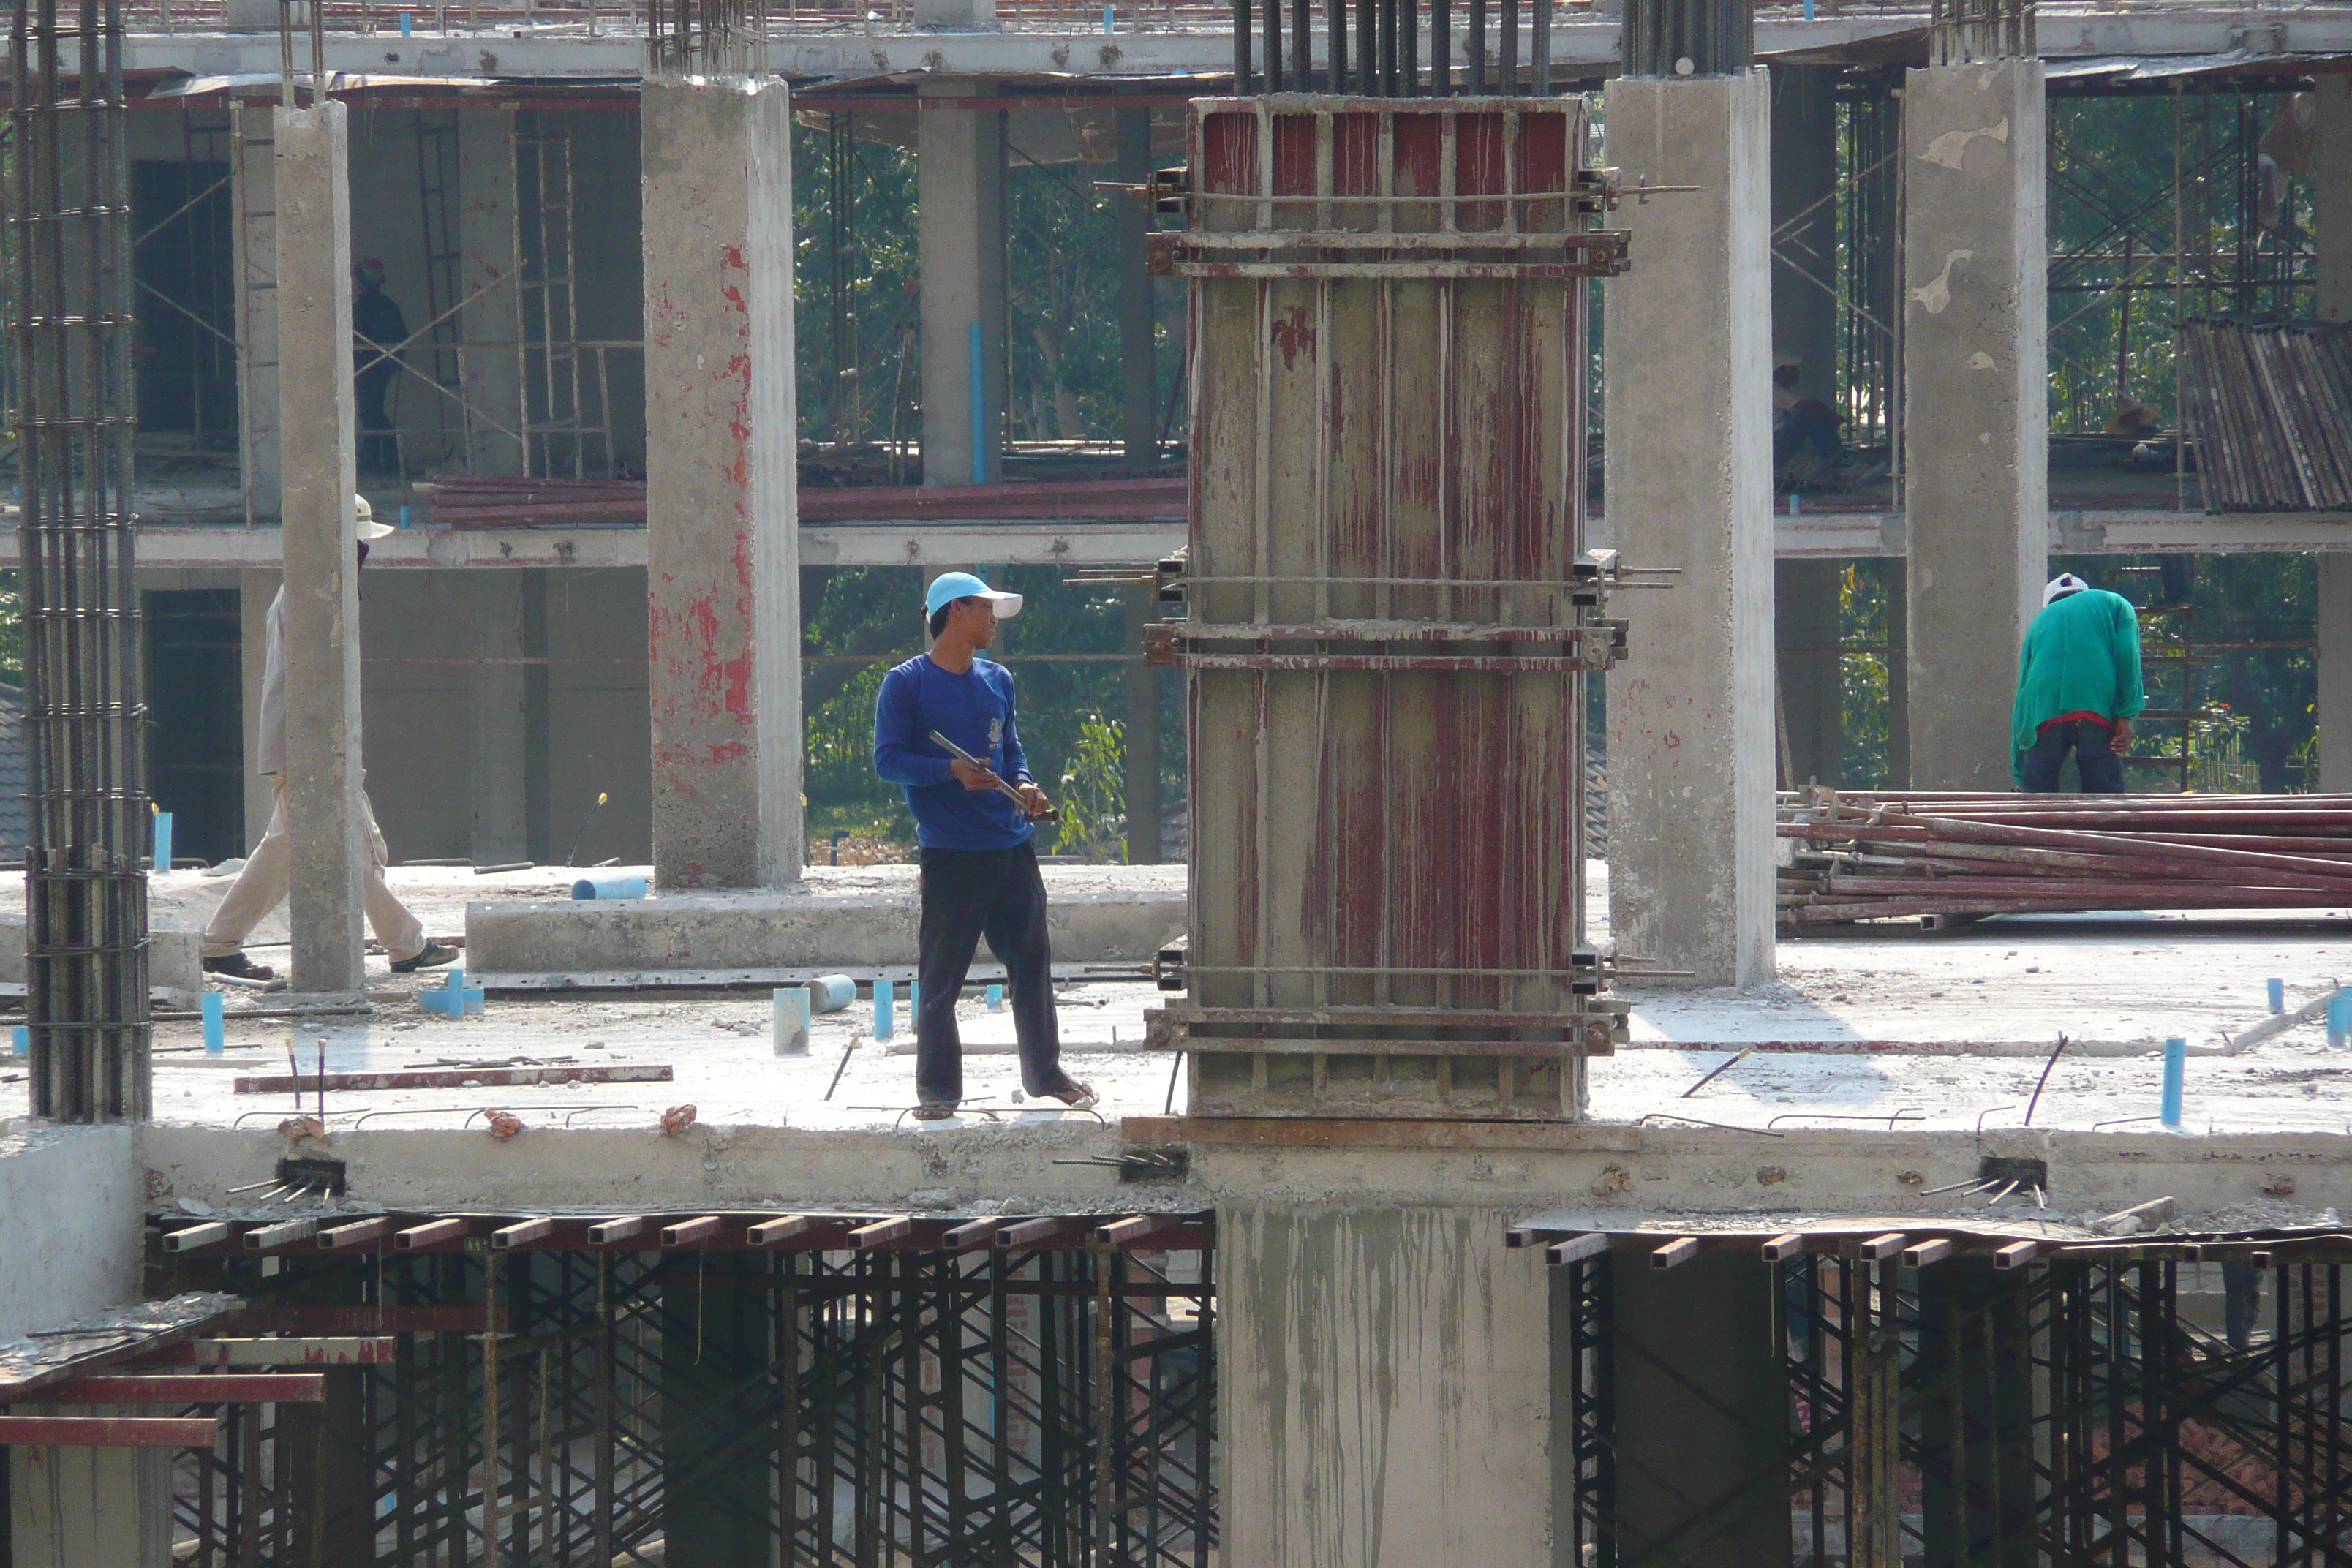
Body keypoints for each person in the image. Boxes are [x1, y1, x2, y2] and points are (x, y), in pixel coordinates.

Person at [202, 497, 457, 980]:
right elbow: (312, 680)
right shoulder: (310, 596)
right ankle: (405, 944)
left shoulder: (311, 591)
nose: (364, 553)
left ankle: (220, 943)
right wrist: (328, 748)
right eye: (358, 543)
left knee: (302, 848)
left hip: (304, 743)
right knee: (349, 844)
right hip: (308, 745)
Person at [872, 572, 1096, 1121]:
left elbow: (1011, 749)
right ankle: (938, 1093)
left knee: (1031, 964)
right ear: (955, 611)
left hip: (1011, 847)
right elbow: (889, 761)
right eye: (986, 608)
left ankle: (1044, 1074)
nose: (994, 619)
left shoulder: (998, 679)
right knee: (942, 978)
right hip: (952, 854)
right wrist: (950, 770)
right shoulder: (905, 685)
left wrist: (1023, 785)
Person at [2011, 573, 2145, 795]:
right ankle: (2105, 830)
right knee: (2105, 801)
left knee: (2036, 803)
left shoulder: (2039, 623)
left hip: (2043, 713)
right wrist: (2126, 715)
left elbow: (2023, 694)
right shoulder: (2114, 603)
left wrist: (2020, 774)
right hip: (2095, 708)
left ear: (2048, 604)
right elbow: (2127, 656)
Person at [352, 259, 409, 478]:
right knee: (372, 413)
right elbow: (404, 337)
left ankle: (374, 465)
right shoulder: (388, 305)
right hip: (382, 368)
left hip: (368, 368)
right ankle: (384, 463)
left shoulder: (362, 308)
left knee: (370, 415)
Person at [1772, 350, 1842, 483]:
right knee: (1806, 416)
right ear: (1780, 371)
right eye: (1792, 369)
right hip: (1774, 448)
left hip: (1774, 446)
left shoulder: (1777, 390)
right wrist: (1831, 416)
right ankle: (1835, 459)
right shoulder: (1776, 391)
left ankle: (1830, 461)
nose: (1797, 372)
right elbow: (1810, 407)